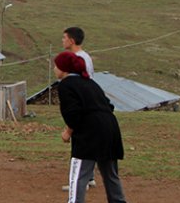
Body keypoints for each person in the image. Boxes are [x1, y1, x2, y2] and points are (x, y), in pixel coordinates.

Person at [54, 51, 127, 203]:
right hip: (110, 128)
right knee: (110, 174)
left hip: (90, 132)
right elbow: (109, 105)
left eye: (56, 66)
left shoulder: (66, 85)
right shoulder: (90, 82)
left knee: (79, 174)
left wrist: (68, 132)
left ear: (64, 69)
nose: (54, 69)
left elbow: (73, 114)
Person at [62, 26, 97, 191]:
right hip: (86, 103)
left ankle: (79, 182)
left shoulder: (77, 59)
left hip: (82, 105)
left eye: (64, 38)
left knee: (80, 142)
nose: (62, 41)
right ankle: (88, 177)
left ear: (71, 40)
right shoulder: (84, 57)